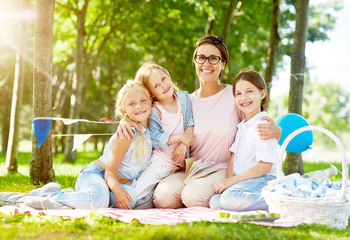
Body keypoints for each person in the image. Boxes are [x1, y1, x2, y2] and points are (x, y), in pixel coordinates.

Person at [116, 35, 281, 208]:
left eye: (214, 58)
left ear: (223, 63)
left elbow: (255, 123)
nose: (206, 64)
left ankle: (217, 199)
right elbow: (144, 107)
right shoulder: (186, 101)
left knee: (193, 197)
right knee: (163, 197)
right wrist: (126, 120)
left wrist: (277, 131)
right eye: (201, 58)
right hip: (192, 168)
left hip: (223, 169)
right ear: (195, 61)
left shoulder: (235, 95)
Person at [30, 80, 153, 209]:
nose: (139, 106)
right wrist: (117, 190)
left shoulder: (150, 132)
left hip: (111, 183)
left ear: (151, 101)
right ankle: (51, 194)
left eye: (143, 101)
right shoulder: (126, 135)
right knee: (98, 201)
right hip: (97, 174)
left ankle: (78, 196)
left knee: (131, 200)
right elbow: (110, 173)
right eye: (132, 103)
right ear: (124, 110)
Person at [210, 70, 283, 211]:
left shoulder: (263, 125)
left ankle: (280, 203)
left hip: (264, 179)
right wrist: (228, 182)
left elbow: (265, 166)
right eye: (238, 93)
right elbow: (233, 158)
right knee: (215, 201)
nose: (243, 98)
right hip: (246, 182)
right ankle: (257, 203)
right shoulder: (243, 126)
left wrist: (232, 181)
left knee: (227, 199)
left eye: (249, 91)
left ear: (262, 94)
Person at [132, 62, 195, 208]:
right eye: (156, 86)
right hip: (161, 163)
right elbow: (154, 137)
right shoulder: (156, 110)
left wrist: (184, 143)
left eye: (163, 79)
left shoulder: (183, 98)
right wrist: (180, 137)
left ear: (168, 76)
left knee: (153, 199)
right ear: (151, 93)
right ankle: (103, 199)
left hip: (179, 166)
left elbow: (190, 122)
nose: (163, 85)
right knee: (135, 196)